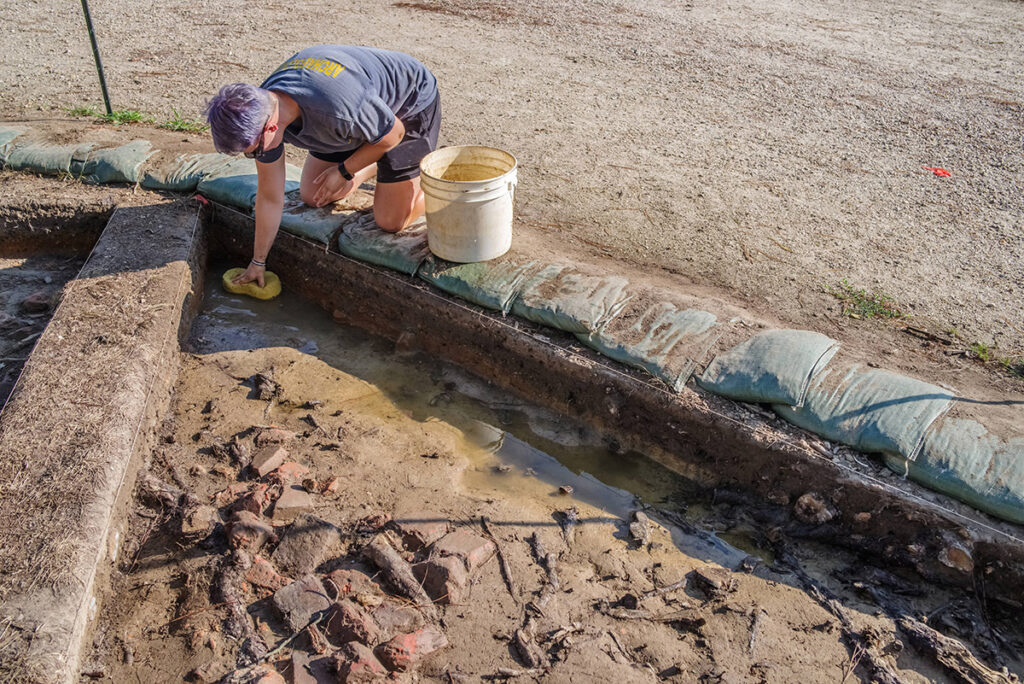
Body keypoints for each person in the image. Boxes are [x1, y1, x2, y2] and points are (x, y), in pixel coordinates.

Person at [205, 45, 441, 287]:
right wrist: (258, 262)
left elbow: (394, 134)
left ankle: (434, 176)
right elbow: (270, 196)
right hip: (353, 118)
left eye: (255, 151)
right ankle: (374, 164)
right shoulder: (263, 111)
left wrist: (344, 171)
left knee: (390, 221)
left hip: (407, 106)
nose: (257, 156)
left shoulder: (338, 109)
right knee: (313, 194)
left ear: (271, 127)